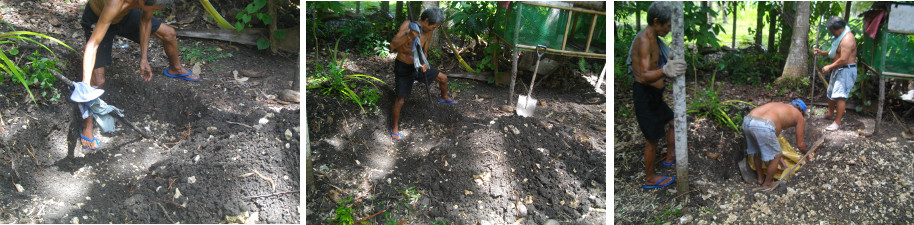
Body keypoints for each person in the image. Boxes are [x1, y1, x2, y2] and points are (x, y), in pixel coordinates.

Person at [74, 0, 195, 150]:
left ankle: (175, 68)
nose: (154, 10)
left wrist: (144, 58)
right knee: (97, 81)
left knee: (169, 33)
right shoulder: (114, 3)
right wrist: (85, 83)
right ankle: (87, 124)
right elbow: (93, 44)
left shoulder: (148, 2)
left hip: (125, 15)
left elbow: (146, 19)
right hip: (99, 18)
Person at [626, 2, 688, 189]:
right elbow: (644, 76)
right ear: (656, 21)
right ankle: (650, 178)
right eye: (667, 25)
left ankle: (670, 157)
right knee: (651, 141)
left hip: (655, 96)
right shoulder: (644, 40)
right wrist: (666, 70)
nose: (669, 29)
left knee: (673, 121)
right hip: (645, 97)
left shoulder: (656, 39)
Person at [388, 7, 456, 141]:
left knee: (443, 78)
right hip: (404, 68)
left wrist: (424, 63)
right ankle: (394, 128)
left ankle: (444, 96)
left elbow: (424, 51)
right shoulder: (408, 26)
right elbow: (392, 46)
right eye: (434, 26)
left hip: (418, 66)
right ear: (426, 20)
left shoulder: (428, 31)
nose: (434, 29)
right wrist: (409, 36)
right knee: (400, 99)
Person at [743, 100, 810, 188]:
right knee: (776, 156)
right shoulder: (798, 115)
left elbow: (772, 140)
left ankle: (760, 179)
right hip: (764, 125)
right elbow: (800, 145)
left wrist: (781, 160)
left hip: (748, 120)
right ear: (801, 111)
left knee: (758, 151)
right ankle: (768, 183)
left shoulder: (780, 106)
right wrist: (808, 156)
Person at [813, 16, 857, 131]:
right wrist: (822, 52)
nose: (832, 33)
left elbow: (843, 60)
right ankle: (830, 114)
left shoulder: (847, 39)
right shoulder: (840, 37)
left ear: (841, 28)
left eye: (833, 31)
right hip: (838, 69)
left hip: (846, 70)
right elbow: (835, 52)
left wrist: (829, 67)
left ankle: (837, 123)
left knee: (840, 96)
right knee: (830, 93)